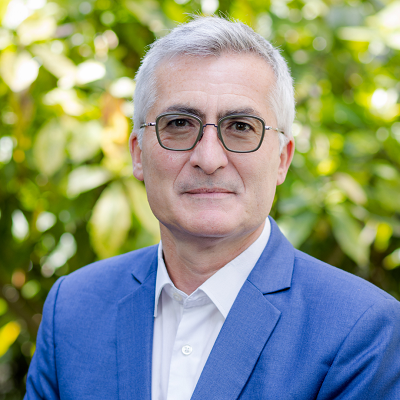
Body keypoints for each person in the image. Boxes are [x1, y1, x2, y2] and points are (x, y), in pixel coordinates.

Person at [25, 16, 400, 400]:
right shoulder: (72, 309)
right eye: (179, 124)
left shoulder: (362, 330)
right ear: (138, 154)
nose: (208, 159)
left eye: (240, 127)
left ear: (282, 159)